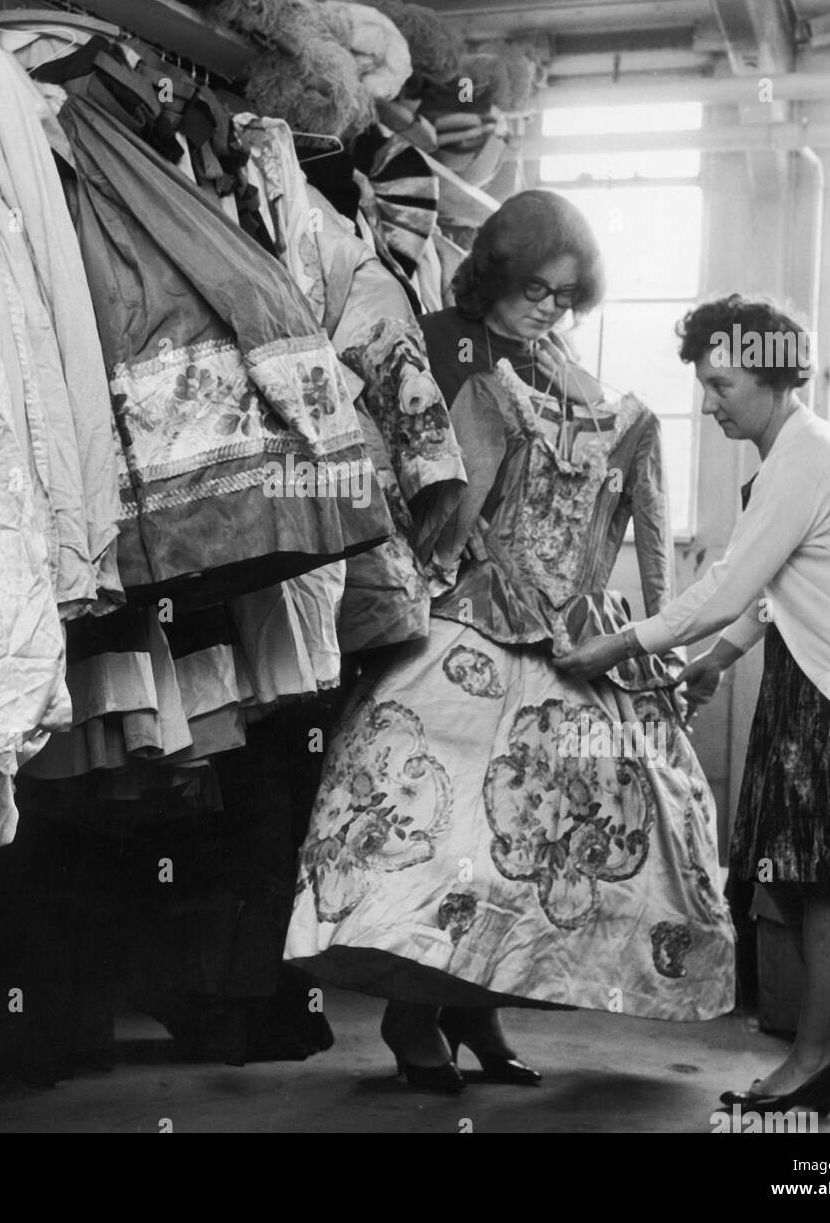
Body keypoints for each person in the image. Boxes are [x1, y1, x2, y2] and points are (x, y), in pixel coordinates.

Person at [284, 191, 735, 1093]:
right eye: (537, 289)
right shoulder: (443, 343)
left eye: (568, 298)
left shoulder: (552, 359)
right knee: (445, 815)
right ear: (496, 271)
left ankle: (475, 1007)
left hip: (558, 627)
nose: (550, 311)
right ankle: (418, 1016)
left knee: (550, 824)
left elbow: (608, 470)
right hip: (459, 604)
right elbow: (415, 481)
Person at [558, 294, 830, 1114]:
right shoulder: (797, 454)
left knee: (827, 882)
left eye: (722, 384)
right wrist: (718, 665)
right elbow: (773, 594)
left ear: (771, 376)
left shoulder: (804, 461)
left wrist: (616, 645)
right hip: (824, 683)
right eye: (705, 383)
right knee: (795, 880)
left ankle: (814, 1056)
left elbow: (724, 589)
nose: (709, 400)